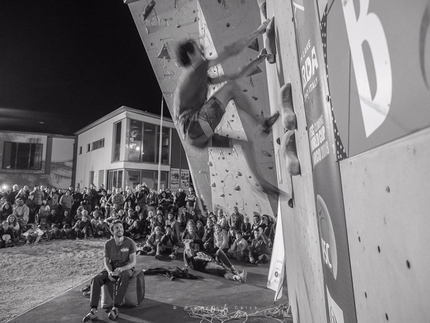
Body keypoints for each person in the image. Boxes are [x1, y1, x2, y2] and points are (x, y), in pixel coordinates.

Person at [174, 19, 281, 197]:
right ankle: (263, 123)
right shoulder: (194, 70)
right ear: (191, 55)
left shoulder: (200, 76)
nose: (201, 49)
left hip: (195, 138)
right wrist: (258, 32)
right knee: (231, 88)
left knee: (245, 144)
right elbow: (231, 51)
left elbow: (235, 75)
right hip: (193, 126)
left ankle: (261, 184)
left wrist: (257, 60)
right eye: (196, 47)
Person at [83, 219, 137, 322]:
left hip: (126, 267)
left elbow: (133, 262)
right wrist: (109, 272)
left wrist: (121, 269)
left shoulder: (130, 242)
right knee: (96, 279)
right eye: (117, 228)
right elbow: (106, 261)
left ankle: (115, 308)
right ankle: (93, 310)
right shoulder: (108, 244)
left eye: (121, 227)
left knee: (124, 276)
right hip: (112, 266)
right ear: (112, 231)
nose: (120, 229)